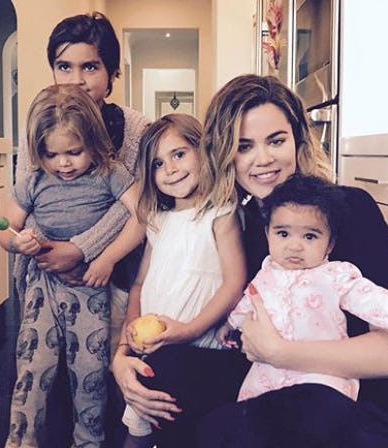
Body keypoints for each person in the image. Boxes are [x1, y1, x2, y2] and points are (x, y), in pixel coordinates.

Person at [112, 74, 388, 448]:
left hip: (354, 398)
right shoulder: (242, 222)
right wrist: (123, 358)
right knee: (167, 371)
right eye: (244, 146)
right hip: (273, 385)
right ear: (224, 155)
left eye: (276, 141)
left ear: (298, 140)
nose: (263, 159)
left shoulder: (349, 208)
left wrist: (281, 353)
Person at [209, 173, 388, 446]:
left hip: (319, 377)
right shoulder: (266, 273)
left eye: (310, 236)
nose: (294, 245)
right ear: (268, 234)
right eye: (283, 234)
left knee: (319, 422)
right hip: (267, 374)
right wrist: (230, 325)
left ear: (329, 244)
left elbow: (371, 299)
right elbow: (249, 304)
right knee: (250, 421)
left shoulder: (336, 276)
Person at [0, 84, 146, 448]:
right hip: (43, 286)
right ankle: (21, 440)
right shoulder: (34, 181)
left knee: (89, 373)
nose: (63, 163)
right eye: (51, 154)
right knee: (32, 368)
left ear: (93, 141)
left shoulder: (110, 173)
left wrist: (106, 259)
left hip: (89, 285)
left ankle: (88, 441)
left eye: (74, 152)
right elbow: (5, 229)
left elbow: (143, 214)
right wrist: (16, 242)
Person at [14, 11, 151, 359]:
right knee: (44, 364)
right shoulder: (42, 123)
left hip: (112, 273)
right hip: (45, 272)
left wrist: (81, 251)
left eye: (90, 67)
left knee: (100, 364)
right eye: (64, 67)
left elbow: (135, 205)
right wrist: (50, 252)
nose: (76, 80)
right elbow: (29, 200)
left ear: (112, 73)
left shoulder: (136, 129)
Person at [117, 114, 247, 448]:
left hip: (198, 348)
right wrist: (130, 328)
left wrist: (189, 330)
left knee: (178, 429)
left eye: (179, 154)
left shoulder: (220, 213)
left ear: (203, 151)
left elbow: (234, 283)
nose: (170, 169)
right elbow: (139, 284)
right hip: (152, 349)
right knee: (137, 431)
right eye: (158, 163)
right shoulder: (158, 220)